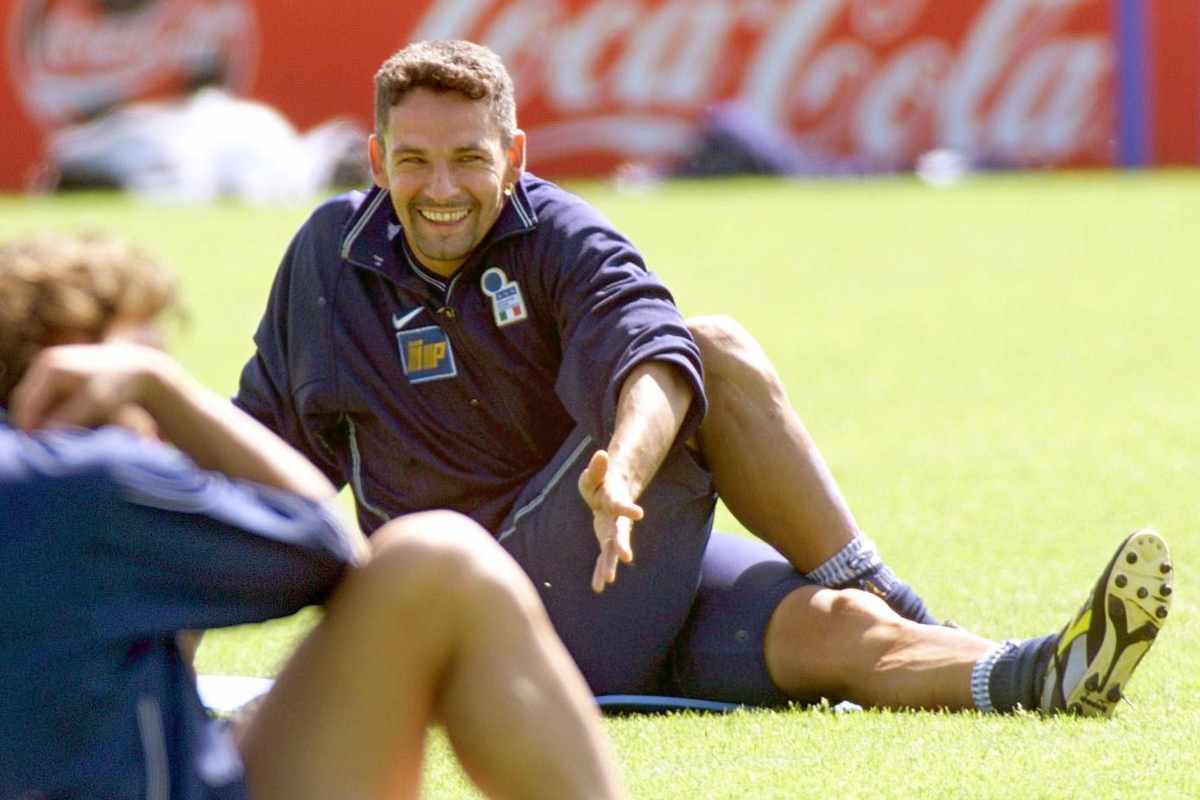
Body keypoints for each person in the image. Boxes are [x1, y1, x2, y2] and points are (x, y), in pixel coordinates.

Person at [234, 39, 1173, 716]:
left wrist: (626, 473)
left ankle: (1040, 674)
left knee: (835, 625)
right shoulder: (328, 259)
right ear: (376, 162)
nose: (441, 189)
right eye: (414, 162)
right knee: (714, 347)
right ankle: (915, 607)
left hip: (612, 570)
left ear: (514, 157)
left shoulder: (561, 233)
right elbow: (258, 452)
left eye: (468, 159)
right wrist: (173, 610)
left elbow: (652, 353)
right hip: (475, 619)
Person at [0, 232, 625, 800]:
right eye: (142, 366)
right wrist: (167, 392)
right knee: (440, 561)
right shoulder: (82, 481)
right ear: (70, 372)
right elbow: (326, 542)